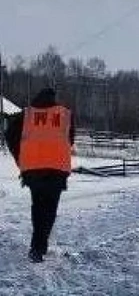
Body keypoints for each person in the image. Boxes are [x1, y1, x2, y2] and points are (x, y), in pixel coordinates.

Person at [3, 88, 74, 263]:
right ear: (54, 98)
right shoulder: (64, 114)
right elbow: (70, 138)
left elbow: (9, 135)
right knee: (50, 209)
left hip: (33, 171)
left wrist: (20, 157)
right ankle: (39, 247)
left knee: (38, 206)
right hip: (57, 170)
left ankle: (37, 247)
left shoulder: (25, 115)